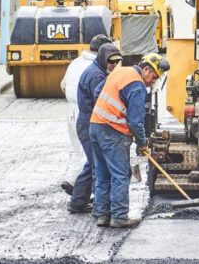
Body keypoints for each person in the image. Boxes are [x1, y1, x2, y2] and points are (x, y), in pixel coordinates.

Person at [89, 52, 169, 228]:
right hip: (113, 132)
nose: (153, 81)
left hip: (95, 125)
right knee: (121, 174)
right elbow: (135, 121)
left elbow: (97, 92)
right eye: (153, 76)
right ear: (146, 68)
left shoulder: (119, 71)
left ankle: (102, 214)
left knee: (102, 173)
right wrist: (142, 143)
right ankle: (119, 217)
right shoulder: (137, 86)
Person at [67, 43, 123, 214]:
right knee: (97, 167)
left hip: (85, 121)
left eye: (116, 62)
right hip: (89, 123)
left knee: (92, 164)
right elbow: (102, 102)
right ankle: (94, 206)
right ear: (102, 58)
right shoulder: (96, 76)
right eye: (110, 62)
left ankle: (78, 201)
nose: (113, 65)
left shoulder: (96, 70)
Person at [60, 34, 112, 196]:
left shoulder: (76, 62)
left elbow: (63, 85)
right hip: (87, 112)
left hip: (72, 111)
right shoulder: (96, 69)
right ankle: (83, 191)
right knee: (91, 155)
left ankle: (72, 181)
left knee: (78, 149)